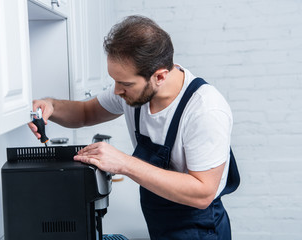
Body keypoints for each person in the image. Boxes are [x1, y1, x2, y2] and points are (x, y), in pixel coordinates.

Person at [29, 15, 240, 240]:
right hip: (160, 223)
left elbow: (203, 193)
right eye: (115, 81)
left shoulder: (204, 110)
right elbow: (85, 113)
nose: (117, 91)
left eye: (125, 84)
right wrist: (51, 105)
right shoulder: (133, 93)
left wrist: (124, 163)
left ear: (159, 76)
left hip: (200, 228)